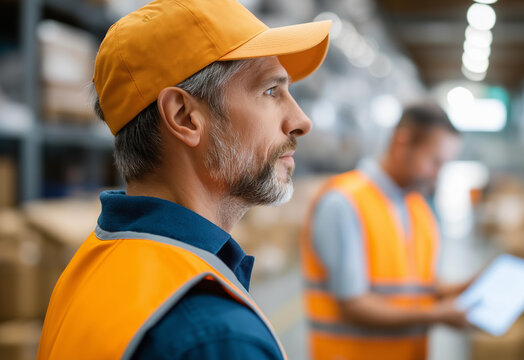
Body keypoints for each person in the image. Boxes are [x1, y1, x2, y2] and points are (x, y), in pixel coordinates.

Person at [37, 0, 330, 359]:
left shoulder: (89, 267)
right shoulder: (216, 335)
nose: (301, 120)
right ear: (184, 116)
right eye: (271, 91)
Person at [301, 103, 473, 360]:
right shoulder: (344, 202)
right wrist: (438, 315)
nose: (438, 175)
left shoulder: (417, 208)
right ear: (403, 144)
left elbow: (418, 287)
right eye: (434, 161)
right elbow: (353, 305)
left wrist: (472, 285)